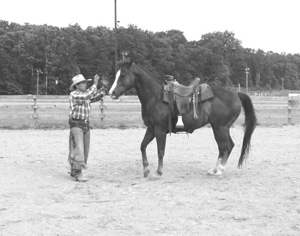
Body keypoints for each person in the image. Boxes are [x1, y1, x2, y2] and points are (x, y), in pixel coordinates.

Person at [68, 73, 105, 182]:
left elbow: (95, 96)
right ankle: (78, 173)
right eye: (83, 83)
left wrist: (103, 88)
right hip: (76, 125)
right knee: (79, 149)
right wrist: (95, 84)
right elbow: (87, 96)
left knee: (83, 149)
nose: (85, 85)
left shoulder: (84, 95)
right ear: (77, 85)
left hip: (85, 125)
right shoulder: (74, 94)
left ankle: (75, 170)